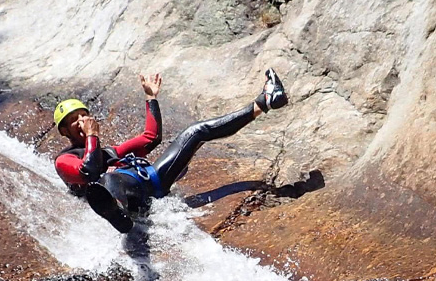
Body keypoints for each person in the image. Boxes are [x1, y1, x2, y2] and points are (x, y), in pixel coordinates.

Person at [52, 69, 288, 234]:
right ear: (64, 131)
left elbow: (150, 138)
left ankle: (264, 102)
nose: (81, 120)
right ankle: (118, 212)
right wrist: (93, 135)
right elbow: (88, 172)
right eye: (73, 120)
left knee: (196, 132)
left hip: (152, 180)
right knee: (105, 179)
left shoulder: (107, 152)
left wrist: (150, 97)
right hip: (122, 193)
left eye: (83, 115)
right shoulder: (64, 160)